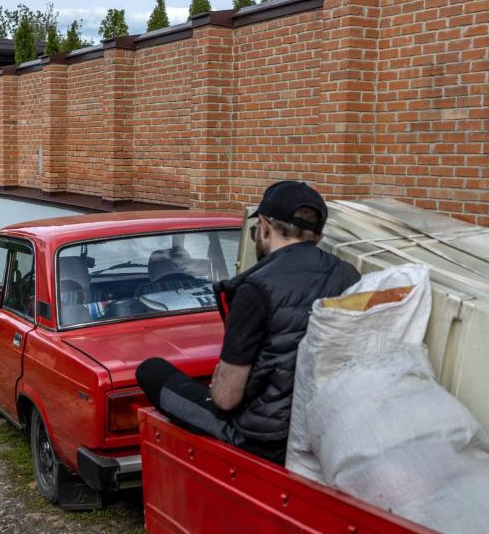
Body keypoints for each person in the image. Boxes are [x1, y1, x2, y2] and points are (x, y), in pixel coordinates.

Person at [135, 181, 361, 464]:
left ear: (264, 226)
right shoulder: (349, 275)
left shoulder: (255, 288)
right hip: (324, 425)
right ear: (318, 235)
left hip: (261, 437)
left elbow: (226, 398)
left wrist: (219, 382)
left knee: (151, 370)